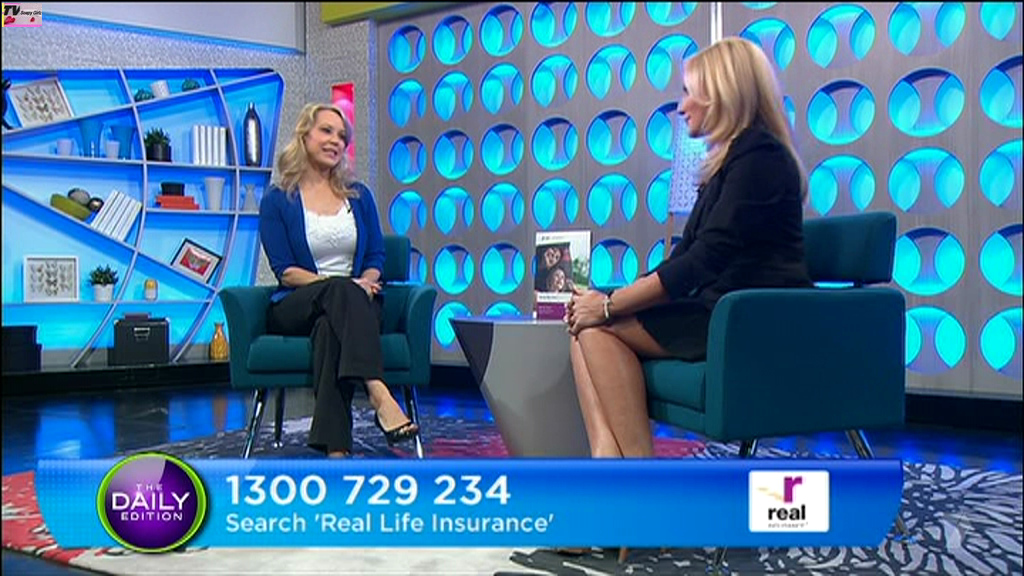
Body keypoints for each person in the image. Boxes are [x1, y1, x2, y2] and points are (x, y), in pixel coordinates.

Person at [565, 37, 813, 459]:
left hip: (749, 318)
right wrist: (608, 298)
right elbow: (684, 255)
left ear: (722, 94)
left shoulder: (760, 158)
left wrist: (608, 306)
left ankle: (639, 473)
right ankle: (608, 463)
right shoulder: (726, 163)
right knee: (582, 325)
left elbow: (702, 261)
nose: (681, 107)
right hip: (718, 308)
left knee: (597, 327)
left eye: (688, 92)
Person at [258, 103, 419, 458]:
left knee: (330, 330)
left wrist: (366, 281)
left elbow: (375, 257)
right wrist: (343, 286)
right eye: (326, 131)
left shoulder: (358, 196)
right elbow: (285, 270)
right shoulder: (278, 198)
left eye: (342, 136)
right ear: (304, 135)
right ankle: (379, 393)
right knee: (339, 293)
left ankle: (337, 451)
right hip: (297, 302)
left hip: (356, 304)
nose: (336, 141)